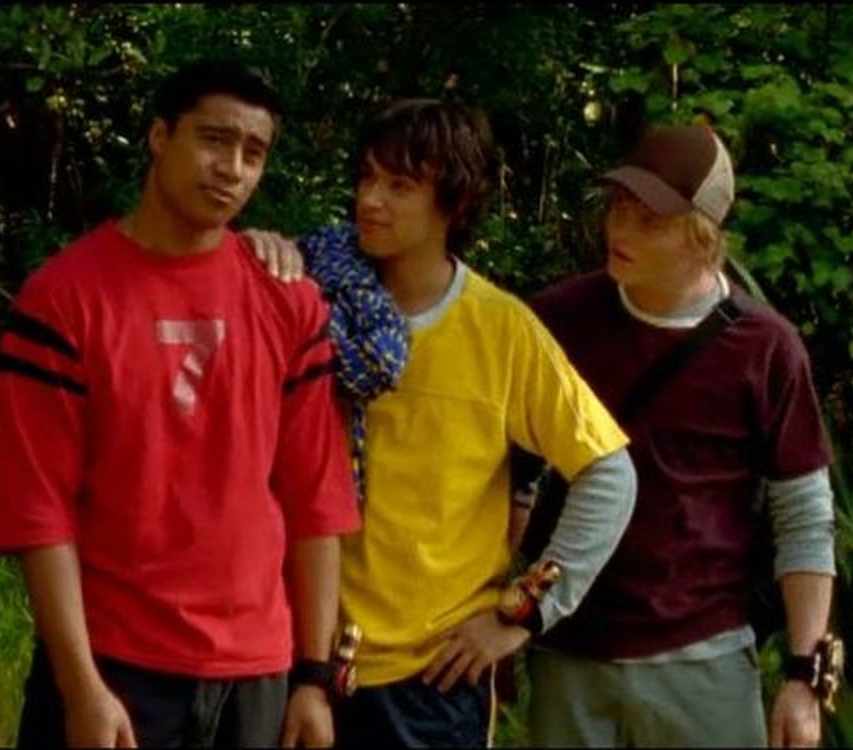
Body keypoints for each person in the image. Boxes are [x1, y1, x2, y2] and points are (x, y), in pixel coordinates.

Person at [0, 60, 360, 749]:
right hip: (117, 663)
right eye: (214, 140)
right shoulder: (63, 299)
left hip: (259, 671)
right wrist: (80, 686)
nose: (233, 169)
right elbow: (39, 510)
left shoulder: (290, 303)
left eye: (254, 153)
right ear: (160, 136)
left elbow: (316, 497)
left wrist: (314, 675)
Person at [246, 98, 637, 747]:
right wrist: (260, 252)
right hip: (293, 652)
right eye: (367, 177)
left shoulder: (500, 328)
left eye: (400, 185)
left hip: (433, 677)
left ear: (453, 203)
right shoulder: (310, 299)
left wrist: (522, 615)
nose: (371, 199)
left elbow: (609, 473)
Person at [516, 123, 837, 748]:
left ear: (703, 238)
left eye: (649, 220)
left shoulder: (765, 348)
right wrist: (504, 619)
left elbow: (803, 516)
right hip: (568, 653)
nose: (620, 230)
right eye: (618, 208)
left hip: (704, 661)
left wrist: (804, 676)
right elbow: (511, 482)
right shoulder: (555, 321)